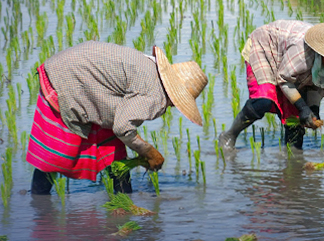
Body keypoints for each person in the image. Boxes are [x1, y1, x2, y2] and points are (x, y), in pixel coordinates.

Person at [27, 41, 207, 194]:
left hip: (79, 73)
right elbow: (122, 127)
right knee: (57, 155)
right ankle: (39, 204)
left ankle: (123, 202)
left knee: (112, 149)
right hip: (66, 80)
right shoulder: (156, 95)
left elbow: (120, 120)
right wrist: (148, 151)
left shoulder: (151, 68)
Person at [219, 20, 324, 150]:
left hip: (287, 63)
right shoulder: (303, 52)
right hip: (265, 47)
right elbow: (284, 78)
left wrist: (312, 110)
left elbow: (315, 88)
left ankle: (292, 159)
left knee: (296, 122)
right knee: (263, 100)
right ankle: (229, 135)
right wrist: (302, 106)